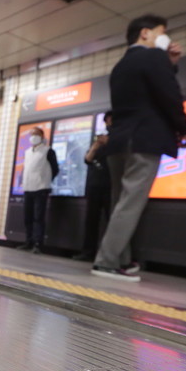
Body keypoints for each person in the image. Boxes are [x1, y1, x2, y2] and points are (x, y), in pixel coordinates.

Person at [91, 15, 186, 282]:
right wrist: (184, 128)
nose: (166, 37)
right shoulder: (153, 57)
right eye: (163, 32)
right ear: (146, 33)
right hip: (144, 139)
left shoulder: (121, 64)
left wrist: (169, 63)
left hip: (119, 141)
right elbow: (169, 95)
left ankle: (121, 259)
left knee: (120, 203)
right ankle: (106, 262)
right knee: (132, 203)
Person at [73, 111, 112, 262]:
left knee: (112, 221)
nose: (109, 122)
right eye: (108, 120)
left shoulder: (119, 139)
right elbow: (87, 159)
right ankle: (88, 252)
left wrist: (110, 143)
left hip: (111, 185)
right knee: (91, 220)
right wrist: (96, 146)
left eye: (111, 119)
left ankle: (109, 255)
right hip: (95, 186)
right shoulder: (99, 140)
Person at [21, 128, 59, 254]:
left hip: (41, 188)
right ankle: (28, 241)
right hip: (28, 188)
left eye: (36, 134)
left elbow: (55, 169)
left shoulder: (48, 150)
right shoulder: (27, 152)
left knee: (38, 217)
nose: (33, 137)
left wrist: (46, 180)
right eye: (31, 134)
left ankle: (38, 244)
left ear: (42, 136)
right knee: (28, 217)